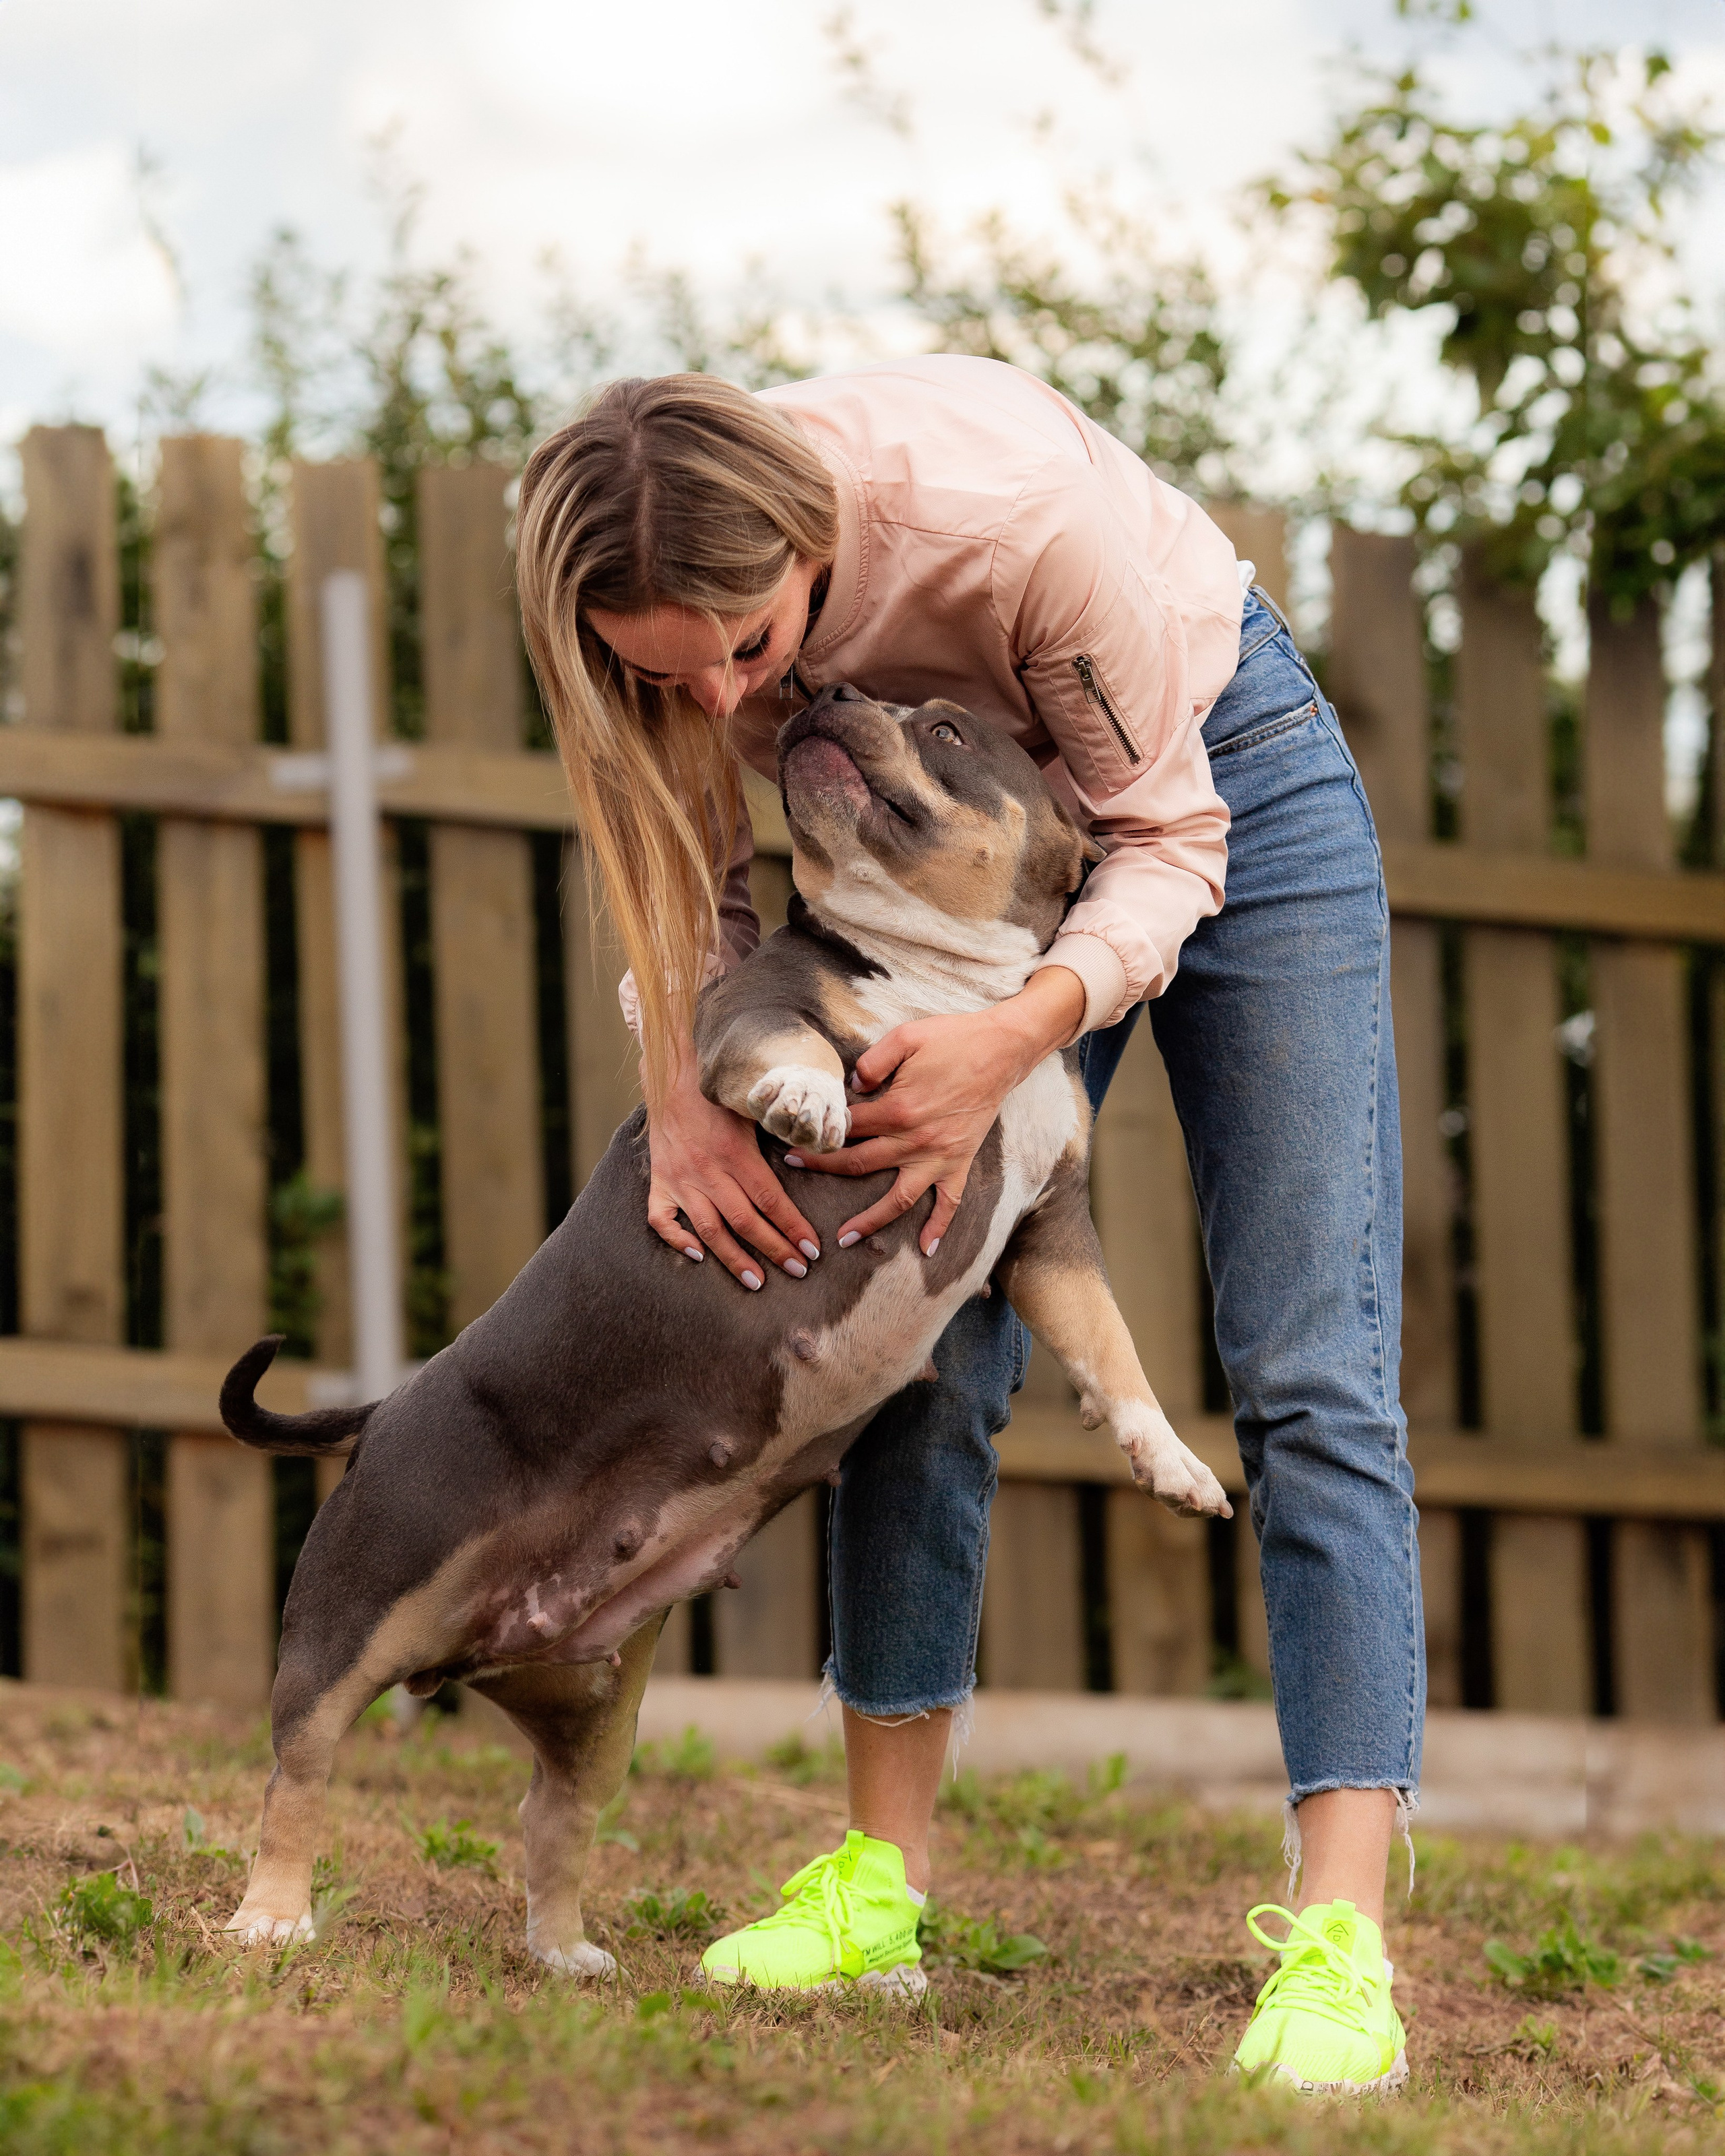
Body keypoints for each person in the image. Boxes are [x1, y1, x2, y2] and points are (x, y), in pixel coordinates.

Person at [515, 356, 1422, 2095]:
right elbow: (686, 889)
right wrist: (685, 1099)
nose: (717, 698)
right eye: (668, 677)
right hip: (931, 860)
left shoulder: (1009, 525)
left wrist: (1014, 1041)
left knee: (1312, 1362)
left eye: (749, 650)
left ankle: (1341, 1941)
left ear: (806, 544)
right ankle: (881, 1888)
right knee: (920, 1340)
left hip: (1214, 781)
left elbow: (1167, 838)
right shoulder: (656, 624)